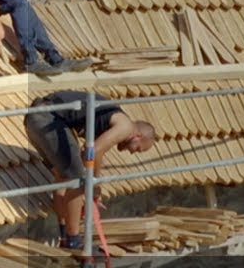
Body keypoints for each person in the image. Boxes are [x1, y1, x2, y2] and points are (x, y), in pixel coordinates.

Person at [23, 90, 156, 250]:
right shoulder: (125, 126)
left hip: (36, 117)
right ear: (138, 136)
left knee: (64, 177)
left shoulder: (110, 119)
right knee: (78, 181)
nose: (133, 152)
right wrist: (94, 185)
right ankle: (73, 240)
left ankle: (64, 235)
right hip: (48, 118)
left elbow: (90, 153)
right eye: (138, 149)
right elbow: (94, 150)